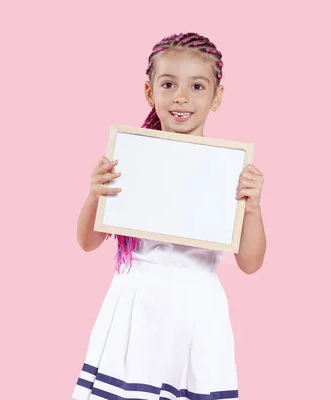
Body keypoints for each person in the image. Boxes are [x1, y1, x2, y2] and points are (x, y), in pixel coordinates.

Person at [72, 32, 266, 400]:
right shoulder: (129, 158)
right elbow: (86, 241)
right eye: (168, 84)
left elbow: (251, 263)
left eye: (196, 86)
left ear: (217, 97)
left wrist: (253, 206)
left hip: (196, 309)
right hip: (137, 304)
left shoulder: (230, 170)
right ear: (149, 93)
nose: (181, 97)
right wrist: (94, 193)